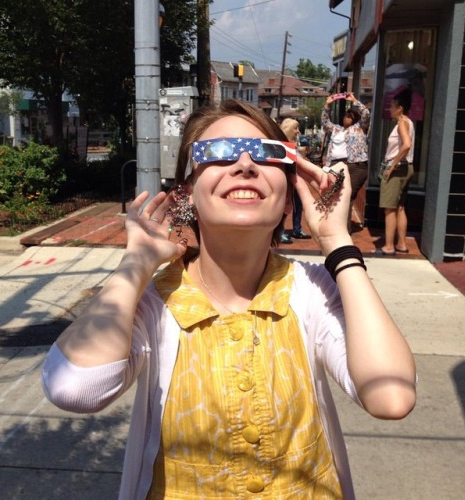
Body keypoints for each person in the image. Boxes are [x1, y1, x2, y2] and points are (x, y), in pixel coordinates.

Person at [42, 99, 416, 499]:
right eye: (216, 153)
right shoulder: (156, 304)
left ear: (288, 199)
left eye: (268, 153)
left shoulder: (312, 290)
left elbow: (390, 396)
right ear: (187, 194)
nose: (244, 164)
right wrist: (135, 264)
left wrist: (337, 242)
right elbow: (74, 387)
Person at [374, 88, 415, 255]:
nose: (390, 109)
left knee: (389, 208)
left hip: (397, 169)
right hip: (407, 168)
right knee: (400, 207)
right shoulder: (409, 122)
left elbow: (406, 145)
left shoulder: (401, 123)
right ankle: (402, 244)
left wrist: (392, 165)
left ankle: (389, 245)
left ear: (400, 109)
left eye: (392, 107)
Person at [322, 92, 370, 232]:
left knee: (347, 196)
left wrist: (354, 100)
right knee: (334, 195)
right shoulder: (336, 129)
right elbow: (325, 123)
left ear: (355, 120)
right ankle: (334, 224)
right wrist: (327, 105)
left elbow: (366, 113)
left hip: (356, 167)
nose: (346, 117)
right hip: (335, 166)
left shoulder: (360, 128)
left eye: (350, 116)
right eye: (345, 115)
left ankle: (343, 228)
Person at [280, 118, 310, 240]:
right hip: (287, 179)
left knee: (298, 205)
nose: (298, 131)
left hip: (298, 179)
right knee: (284, 206)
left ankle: (297, 229)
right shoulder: (282, 144)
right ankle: (280, 231)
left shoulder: (294, 144)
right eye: (295, 128)